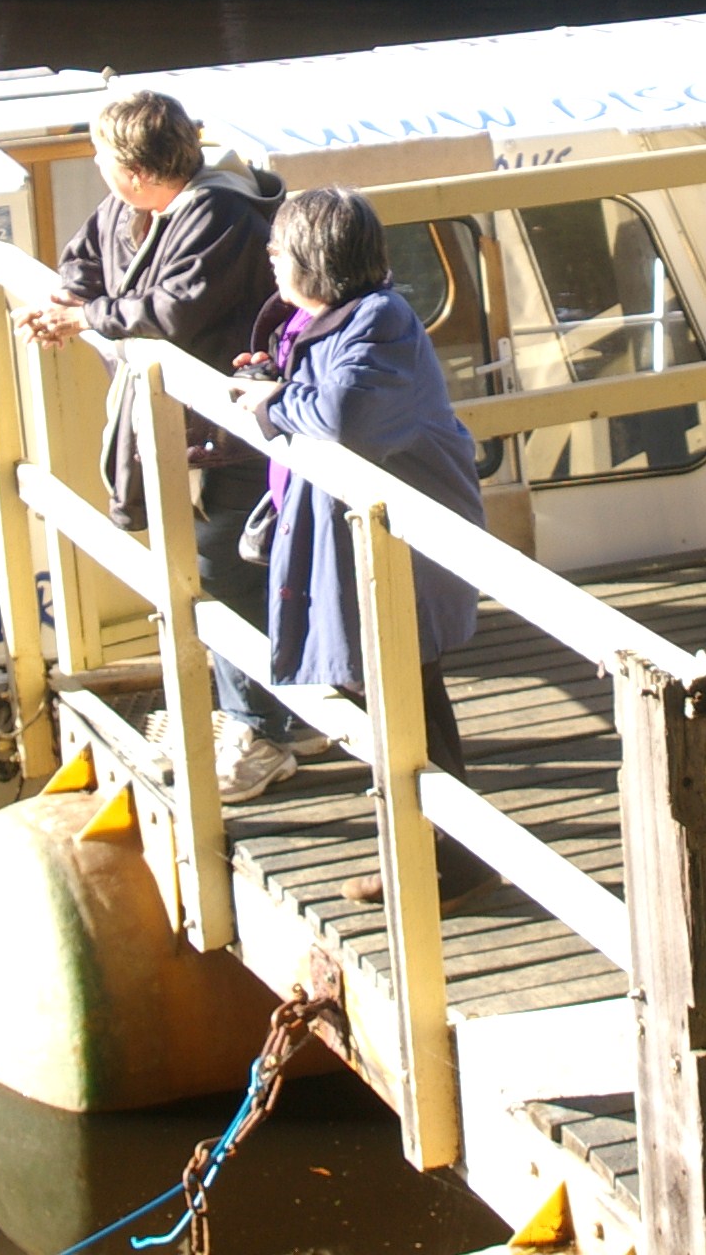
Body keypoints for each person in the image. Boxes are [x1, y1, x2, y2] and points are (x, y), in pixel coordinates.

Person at [23, 89, 319, 802]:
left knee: (225, 571)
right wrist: (74, 304)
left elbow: (172, 312)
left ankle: (261, 733)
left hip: (232, 435)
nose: (96, 166)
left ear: (131, 169)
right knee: (208, 570)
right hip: (185, 434)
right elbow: (82, 268)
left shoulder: (217, 215)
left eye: (101, 155)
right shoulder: (128, 213)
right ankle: (265, 710)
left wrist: (84, 316)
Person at [235, 186, 497, 908]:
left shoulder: (382, 321)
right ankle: (438, 852)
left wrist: (270, 404)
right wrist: (274, 383)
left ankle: (448, 857)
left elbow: (349, 417)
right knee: (395, 696)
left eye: (278, 252)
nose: (270, 262)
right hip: (360, 543)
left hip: (402, 549)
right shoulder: (330, 320)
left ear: (314, 263)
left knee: (402, 696)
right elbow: (324, 398)